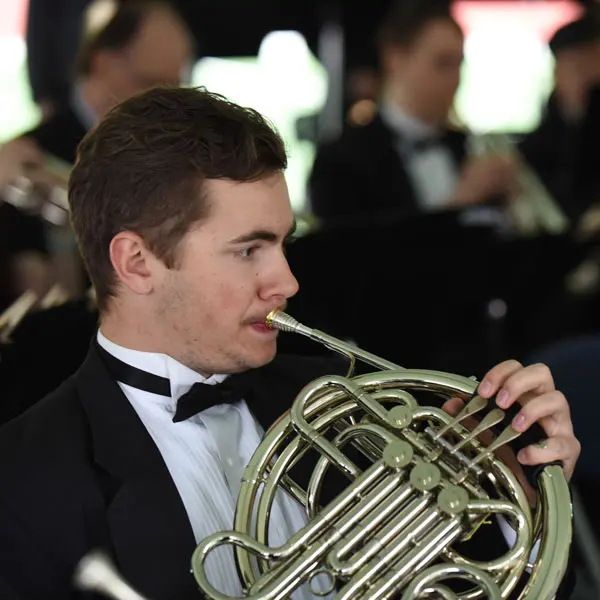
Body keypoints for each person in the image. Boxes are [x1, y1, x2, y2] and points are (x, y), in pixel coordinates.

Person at [0, 86, 580, 600]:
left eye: (282, 243)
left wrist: (515, 507)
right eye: (249, 249)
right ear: (137, 262)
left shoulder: (343, 405)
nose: (288, 282)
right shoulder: (25, 485)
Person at [0, 0, 194, 306]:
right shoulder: (27, 162)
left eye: (177, 89)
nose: (167, 107)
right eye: (151, 84)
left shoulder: (178, 163)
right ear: (103, 64)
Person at [309, 0, 518, 227]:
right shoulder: (341, 158)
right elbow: (353, 250)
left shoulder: (465, 146)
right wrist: (458, 204)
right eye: (442, 63)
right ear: (395, 59)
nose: (455, 79)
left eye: (459, 65)